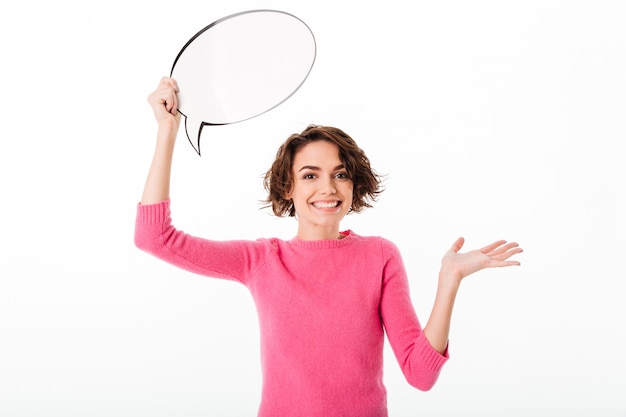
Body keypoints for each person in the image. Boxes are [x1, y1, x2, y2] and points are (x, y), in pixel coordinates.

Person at [134, 77, 523, 417]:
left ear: (354, 186)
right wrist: (167, 132)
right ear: (289, 188)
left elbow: (420, 375)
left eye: (340, 174)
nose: (327, 188)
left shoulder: (380, 256)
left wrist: (449, 278)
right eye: (309, 175)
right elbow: (154, 238)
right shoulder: (262, 260)